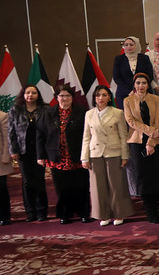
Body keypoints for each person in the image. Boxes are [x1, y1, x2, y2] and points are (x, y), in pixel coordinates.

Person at [37, 84, 90, 224]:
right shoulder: (48, 113)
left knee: (80, 185)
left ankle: (83, 213)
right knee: (62, 187)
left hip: (77, 155)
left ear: (72, 97)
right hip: (57, 156)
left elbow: (88, 133)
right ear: (56, 97)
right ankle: (65, 214)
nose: (64, 98)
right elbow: (40, 135)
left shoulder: (81, 111)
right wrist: (41, 156)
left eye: (67, 95)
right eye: (61, 96)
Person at [80, 85, 132, 225]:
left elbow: (123, 136)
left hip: (113, 152)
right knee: (98, 186)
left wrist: (124, 156)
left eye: (104, 95)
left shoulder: (117, 113)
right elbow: (86, 137)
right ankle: (104, 215)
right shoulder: (89, 114)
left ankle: (120, 213)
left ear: (109, 97)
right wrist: (84, 157)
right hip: (95, 153)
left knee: (116, 185)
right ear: (94, 98)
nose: (101, 98)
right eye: (98, 95)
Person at [123, 73, 159, 223]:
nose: (141, 86)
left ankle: (156, 206)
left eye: (144, 83)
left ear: (148, 85)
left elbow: (158, 122)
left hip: (156, 141)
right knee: (143, 177)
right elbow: (131, 122)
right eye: (138, 83)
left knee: (156, 175)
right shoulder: (128, 100)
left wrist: (151, 142)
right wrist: (149, 131)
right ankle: (150, 210)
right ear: (134, 85)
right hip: (137, 142)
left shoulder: (156, 99)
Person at [9, 85, 48, 221]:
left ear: (38, 95)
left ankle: (41, 211)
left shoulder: (45, 109)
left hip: (40, 150)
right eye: (28, 93)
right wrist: (13, 150)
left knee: (39, 180)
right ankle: (30, 212)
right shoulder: (15, 109)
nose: (30, 95)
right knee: (27, 181)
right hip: (23, 150)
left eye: (33, 93)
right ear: (23, 94)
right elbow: (11, 132)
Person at [113, 36, 154, 107]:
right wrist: (130, 91)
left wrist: (136, 90)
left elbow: (149, 75)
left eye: (131, 45)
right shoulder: (119, 59)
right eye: (126, 45)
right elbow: (116, 77)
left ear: (137, 45)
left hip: (143, 92)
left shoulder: (144, 58)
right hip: (125, 93)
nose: (128, 47)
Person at [0, 110, 12, 225]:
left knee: (1, 188)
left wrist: (5, 156)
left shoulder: (2, 116)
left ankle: (4, 216)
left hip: (0, 160)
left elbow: (6, 138)